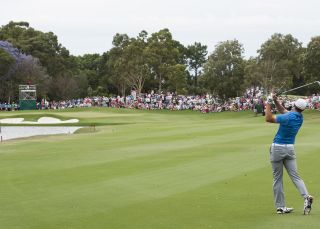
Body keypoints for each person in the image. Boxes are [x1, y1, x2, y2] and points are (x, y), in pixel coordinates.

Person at [265, 94, 313, 214]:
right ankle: (306, 196)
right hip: (290, 149)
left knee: (277, 178)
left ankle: (280, 207)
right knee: (295, 176)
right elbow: (283, 111)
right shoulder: (299, 118)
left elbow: (268, 118)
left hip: (277, 148)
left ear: (294, 105)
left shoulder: (288, 116)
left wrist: (268, 102)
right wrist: (276, 101)